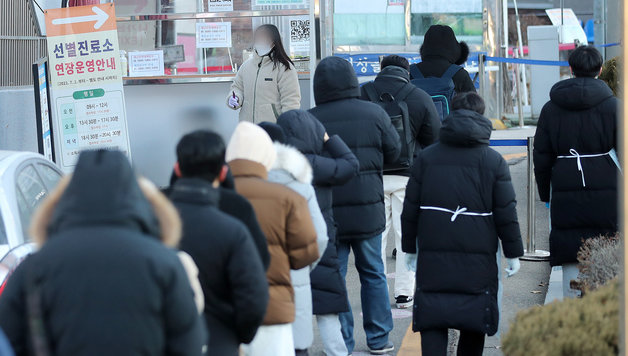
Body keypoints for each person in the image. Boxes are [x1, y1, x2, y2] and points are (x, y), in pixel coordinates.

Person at [0, 150, 205, 356]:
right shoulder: (165, 263)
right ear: (138, 197)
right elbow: (189, 345)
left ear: (67, 198)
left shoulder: (33, 268)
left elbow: (9, 340)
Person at [401, 92, 524, 356]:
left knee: (433, 311)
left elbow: (410, 208)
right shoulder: (493, 161)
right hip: (478, 255)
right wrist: (514, 253)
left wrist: (409, 247)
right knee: (474, 314)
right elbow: (506, 212)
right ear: (481, 117)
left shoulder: (427, 158)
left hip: (433, 252)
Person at [309, 56, 401, 355]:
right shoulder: (374, 113)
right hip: (367, 209)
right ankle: (378, 340)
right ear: (352, 80)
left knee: (335, 276)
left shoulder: (310, 119)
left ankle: (343, 344)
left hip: (329, 212)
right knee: (373, 271)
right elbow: (394, 151)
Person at [169, 131, 270, 356]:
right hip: (220, 340)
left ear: (177, 169)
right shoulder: (236, 213)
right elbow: (255, 288)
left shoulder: (156, 213)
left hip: (166, 341)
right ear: (223, 171)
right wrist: (238, 334)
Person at [226, 122, 320, 356]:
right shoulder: (290, 195)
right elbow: (310, 249)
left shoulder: (215, 195)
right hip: (276, 306)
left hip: (227, 308)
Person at [533, 45, 619, 298]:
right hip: (607, 181)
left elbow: (542, 155)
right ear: (600, 70)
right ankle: (603, 307)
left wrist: (545, 193)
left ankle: (574, 309)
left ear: (570, 69)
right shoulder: (614, 106)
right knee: (606, 239)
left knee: (571, 247)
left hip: (565, 181)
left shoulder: (551, 108)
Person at [361, 54, 441, 309]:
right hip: (408, 177)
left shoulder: (364, 93)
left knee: (376, 236)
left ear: (381, 70)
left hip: (373, 177)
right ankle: (405, 293)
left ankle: (376, 293)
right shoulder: (419, 96)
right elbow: (435, 138)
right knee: (407, 234)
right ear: (407, 72)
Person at [277, 109, 359, 356]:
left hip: (285, 249)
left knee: (288, 311)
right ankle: (338, 352)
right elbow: (350, 164)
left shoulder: (275, 167)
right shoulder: (317, 165)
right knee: (328, 310)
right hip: (320, 245)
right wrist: (329, 139)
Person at [262, 125, 329, 355]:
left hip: (252, 284)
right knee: (297, 346)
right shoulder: (300, 184)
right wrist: (304, 265)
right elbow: (319, 236)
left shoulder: (240, 184)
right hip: (294, 277)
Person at [165, 165, 271, 271]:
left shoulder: (158, 202)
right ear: (223, 172)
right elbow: (258, 263)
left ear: (177, 169)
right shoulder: (238, 205)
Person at [228, 24, 301, 123]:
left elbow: (291, 101)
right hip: (248, 128)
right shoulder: (246, 66)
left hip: (273, 129)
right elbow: (237, 87)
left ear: (274, 41)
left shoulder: (284, 68)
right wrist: (235, 98)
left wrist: (287, 126)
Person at [411, 24, 475, 93]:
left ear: (425, 47)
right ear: (454, 48)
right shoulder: (459, 75)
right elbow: (474, 102)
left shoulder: (409, 73)